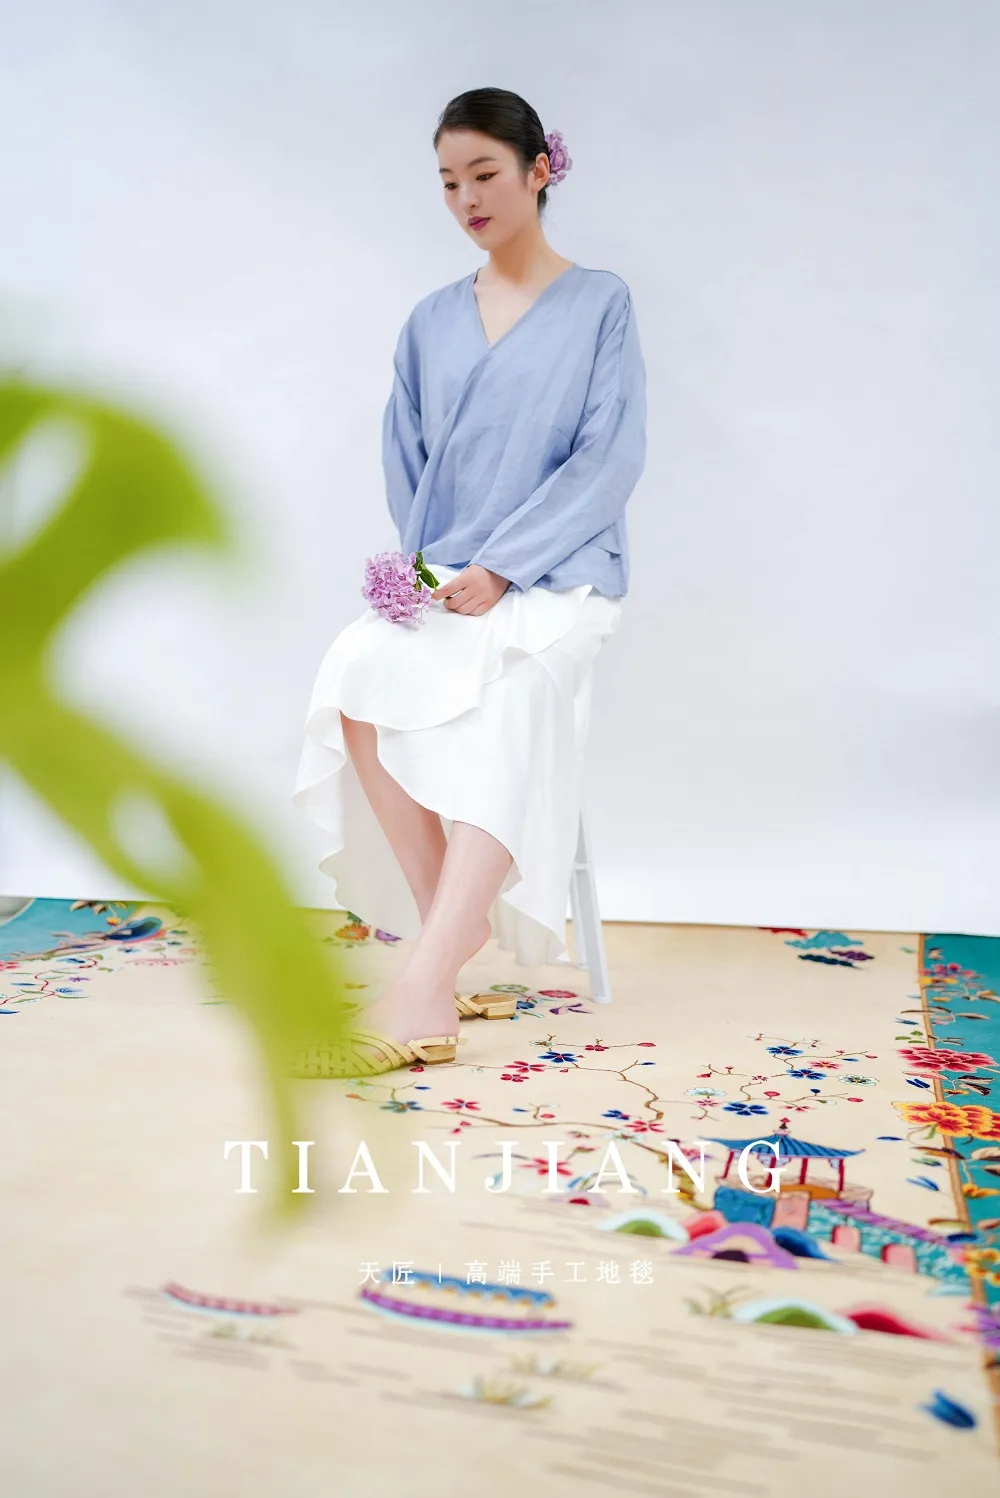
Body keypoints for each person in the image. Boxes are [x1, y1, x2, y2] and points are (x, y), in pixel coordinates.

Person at [292, 86, 646, 1078]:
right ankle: (447, 939)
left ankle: (419, 987)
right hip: (451, 573)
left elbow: (607, 458)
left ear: (540, 169)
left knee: (513, 698)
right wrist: (427, 571)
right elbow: (407, 457)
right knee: (356, 675)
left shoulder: (600, 304)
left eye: (484, 174)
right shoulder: (430, 321)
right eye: (449, 182)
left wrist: (505, 566)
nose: (467, 199)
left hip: (561, 578)